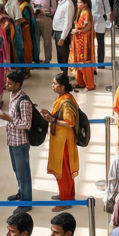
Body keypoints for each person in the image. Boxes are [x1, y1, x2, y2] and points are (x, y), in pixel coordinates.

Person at [42, 73, 81, 207]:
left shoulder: (66, 102)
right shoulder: (61, 97)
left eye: (55, 84)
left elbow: (70, 122)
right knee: (64, 170)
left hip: (64, 141)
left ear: (62, 86)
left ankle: (65, 201)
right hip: (60, 139)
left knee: (63, 171)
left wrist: (52, 120)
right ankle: (67, 194)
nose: (52, 86)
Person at [0, 69, 34, 212]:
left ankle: (26, 203)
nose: (6, 85)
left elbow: (26, 124)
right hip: (12, 139)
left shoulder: (24, 101)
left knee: (23, 173)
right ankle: (21, 192)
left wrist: (9, 119)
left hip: (20, 142)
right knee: (17, 170)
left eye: (9, 83)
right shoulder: (12, 95)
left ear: (18, 84)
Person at [70, 0, 97, 91]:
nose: (78, 4)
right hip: (79, 40)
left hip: (83, 41)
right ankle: (80, 82)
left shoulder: (85, 13)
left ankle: (88, 84)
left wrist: (78, 31)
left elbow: (88, 26)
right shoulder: (81, 12)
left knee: (83, 61)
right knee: (78, 61)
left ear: (85, 4)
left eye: (80, 2)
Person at [53, 0, 75, 66]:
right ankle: (62, 72)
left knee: (64, 55)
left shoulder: (68, 4)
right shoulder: (60, 2)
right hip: (57, 31)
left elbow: (67, 23)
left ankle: (65, 74)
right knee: (60, 56)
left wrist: (62, 37)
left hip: (63, 33)